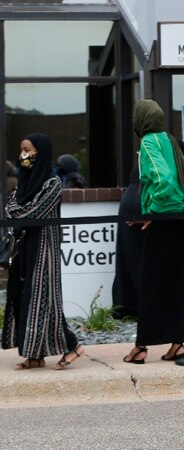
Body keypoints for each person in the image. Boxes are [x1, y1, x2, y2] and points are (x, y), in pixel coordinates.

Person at [2, 133, 85, 370]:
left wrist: (18, 211)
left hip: (44, 247)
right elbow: (10, 207)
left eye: (28, 150)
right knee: (24, 297)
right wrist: (18, 211)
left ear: (41, 151)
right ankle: (35, 355)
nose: (24, 155)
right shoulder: (23, 182)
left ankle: (73, 346)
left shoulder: (52, 183)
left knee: (43, 300)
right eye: (22, 150)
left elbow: (32, 213)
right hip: (24, 246)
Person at [123, 99, 184, 364]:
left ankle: (141, 347)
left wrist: (154, 213)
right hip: (177, 220)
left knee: (150, 283)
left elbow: (163, 180)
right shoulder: (170, 139)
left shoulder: (149, 141)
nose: (133, 123)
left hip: (165, 219)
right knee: (175, 282)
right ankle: (178, 343)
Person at [111, 165, 144, 319]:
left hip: (130, 199)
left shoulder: (144, 159)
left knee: (127, 256)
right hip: (142, 201)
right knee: (142, 259)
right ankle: (140, 304)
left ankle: (124, 304)